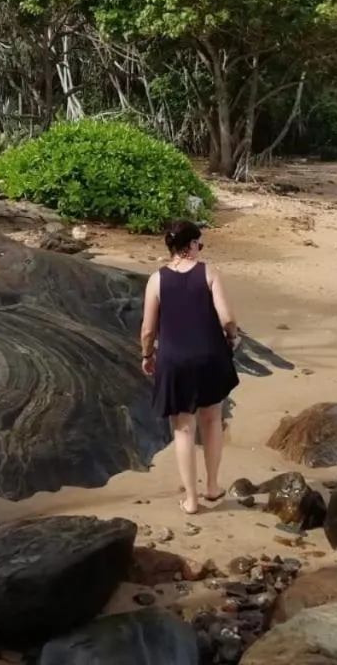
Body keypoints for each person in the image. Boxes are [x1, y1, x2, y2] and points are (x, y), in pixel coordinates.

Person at [140, 219, 241, 515]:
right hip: (210, 357)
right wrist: (233, 338)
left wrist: (147, 356)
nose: (201, 248)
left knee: (183, 429)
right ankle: (212, 486)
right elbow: (228, 319)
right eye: (200, 243)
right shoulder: (208, 272)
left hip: (175, 361)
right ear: (191, 245)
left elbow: (148, 330)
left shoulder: (156, 280)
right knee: (212, 420)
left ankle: (191, 500)